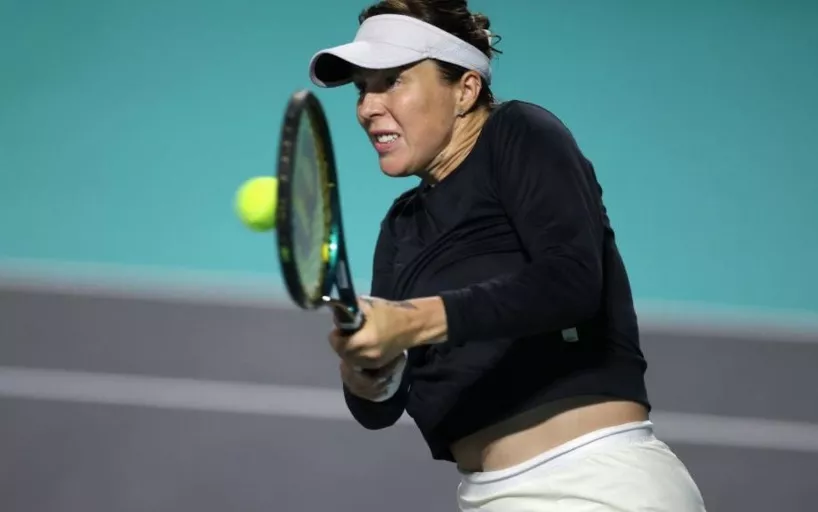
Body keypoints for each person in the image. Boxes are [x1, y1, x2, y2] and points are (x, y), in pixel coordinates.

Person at [308, 1, 707, 510]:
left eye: (392, 81)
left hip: (593, 481)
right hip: (487, 495)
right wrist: (367, 371)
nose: (367, 107)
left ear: (466, 89)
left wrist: (411, 321)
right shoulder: (401, 225)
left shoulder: (518, 132)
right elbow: (380, 410)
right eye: (363, 88)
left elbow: (570, 281)